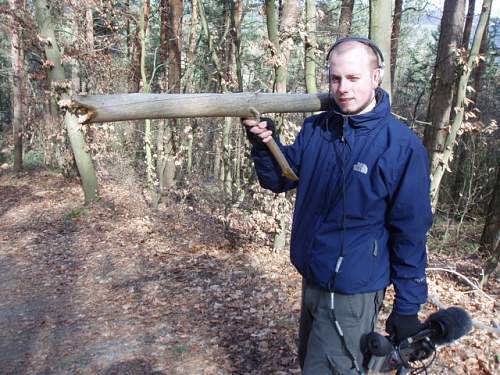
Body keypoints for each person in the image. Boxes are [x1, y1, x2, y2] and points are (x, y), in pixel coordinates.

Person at [242, 37, 433, 374]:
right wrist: (266, 145)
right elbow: (279, 179)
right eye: (335, 78)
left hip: (352, 293)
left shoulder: (400, 148)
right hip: (313, 279)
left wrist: (408, 306)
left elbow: (411, 233)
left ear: (376, 78)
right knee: (311, 365)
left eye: (354, 78)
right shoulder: (318, 128)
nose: (342, 88)